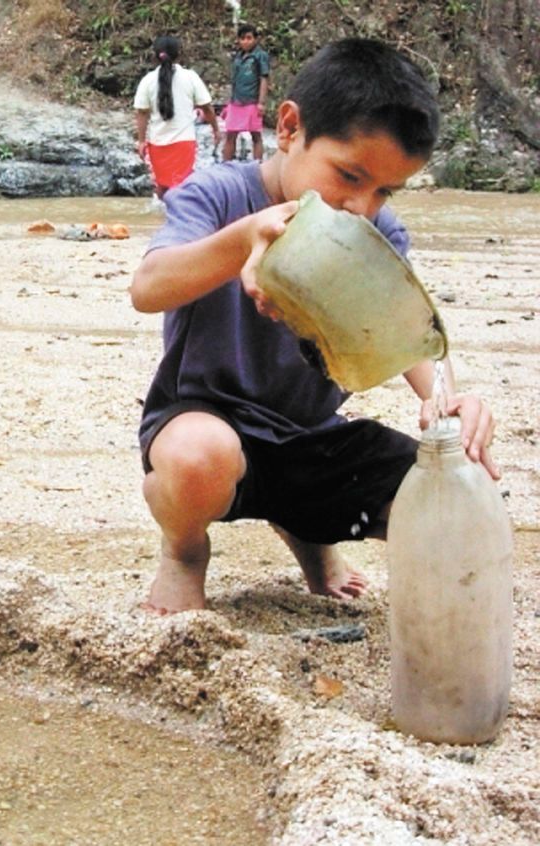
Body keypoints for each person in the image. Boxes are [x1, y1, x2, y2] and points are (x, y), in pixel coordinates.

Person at [129, 38, 498, 614]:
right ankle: (183, 552)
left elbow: (403, 329)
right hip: (207, 427)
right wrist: (242, 240)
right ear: (290, 127)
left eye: (384, 191)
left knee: (443, 496)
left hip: (311, 438)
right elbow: (147, 288)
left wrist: (449, 399)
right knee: (200, 457)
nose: (361, 207)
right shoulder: (218, 195)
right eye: (349, 175)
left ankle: (312, 537)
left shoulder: (377, 234)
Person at [133, 36, 221, 199]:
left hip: (157, 143)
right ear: (179, 55)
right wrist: (215, 129)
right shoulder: (190, 77)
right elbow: (206, 107)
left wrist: (141, 141)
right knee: (182, 188)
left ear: (155, 56)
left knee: (161, 188)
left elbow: (142, 113)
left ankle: (158, 220)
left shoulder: (147, 81)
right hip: (183, 143)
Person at [222, 23, 271, 162]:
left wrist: (261, 103)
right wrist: (230, 101)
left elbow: (264, 78)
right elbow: (235, 80)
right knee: (230, 134)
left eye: (249, 38)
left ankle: (257, 166)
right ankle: (226, 166)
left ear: (256, 39)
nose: (245, 41)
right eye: (242, 38)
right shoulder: (238, 56)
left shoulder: (260, 56)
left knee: (256, 135)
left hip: (252, 102)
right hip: (236, 101)